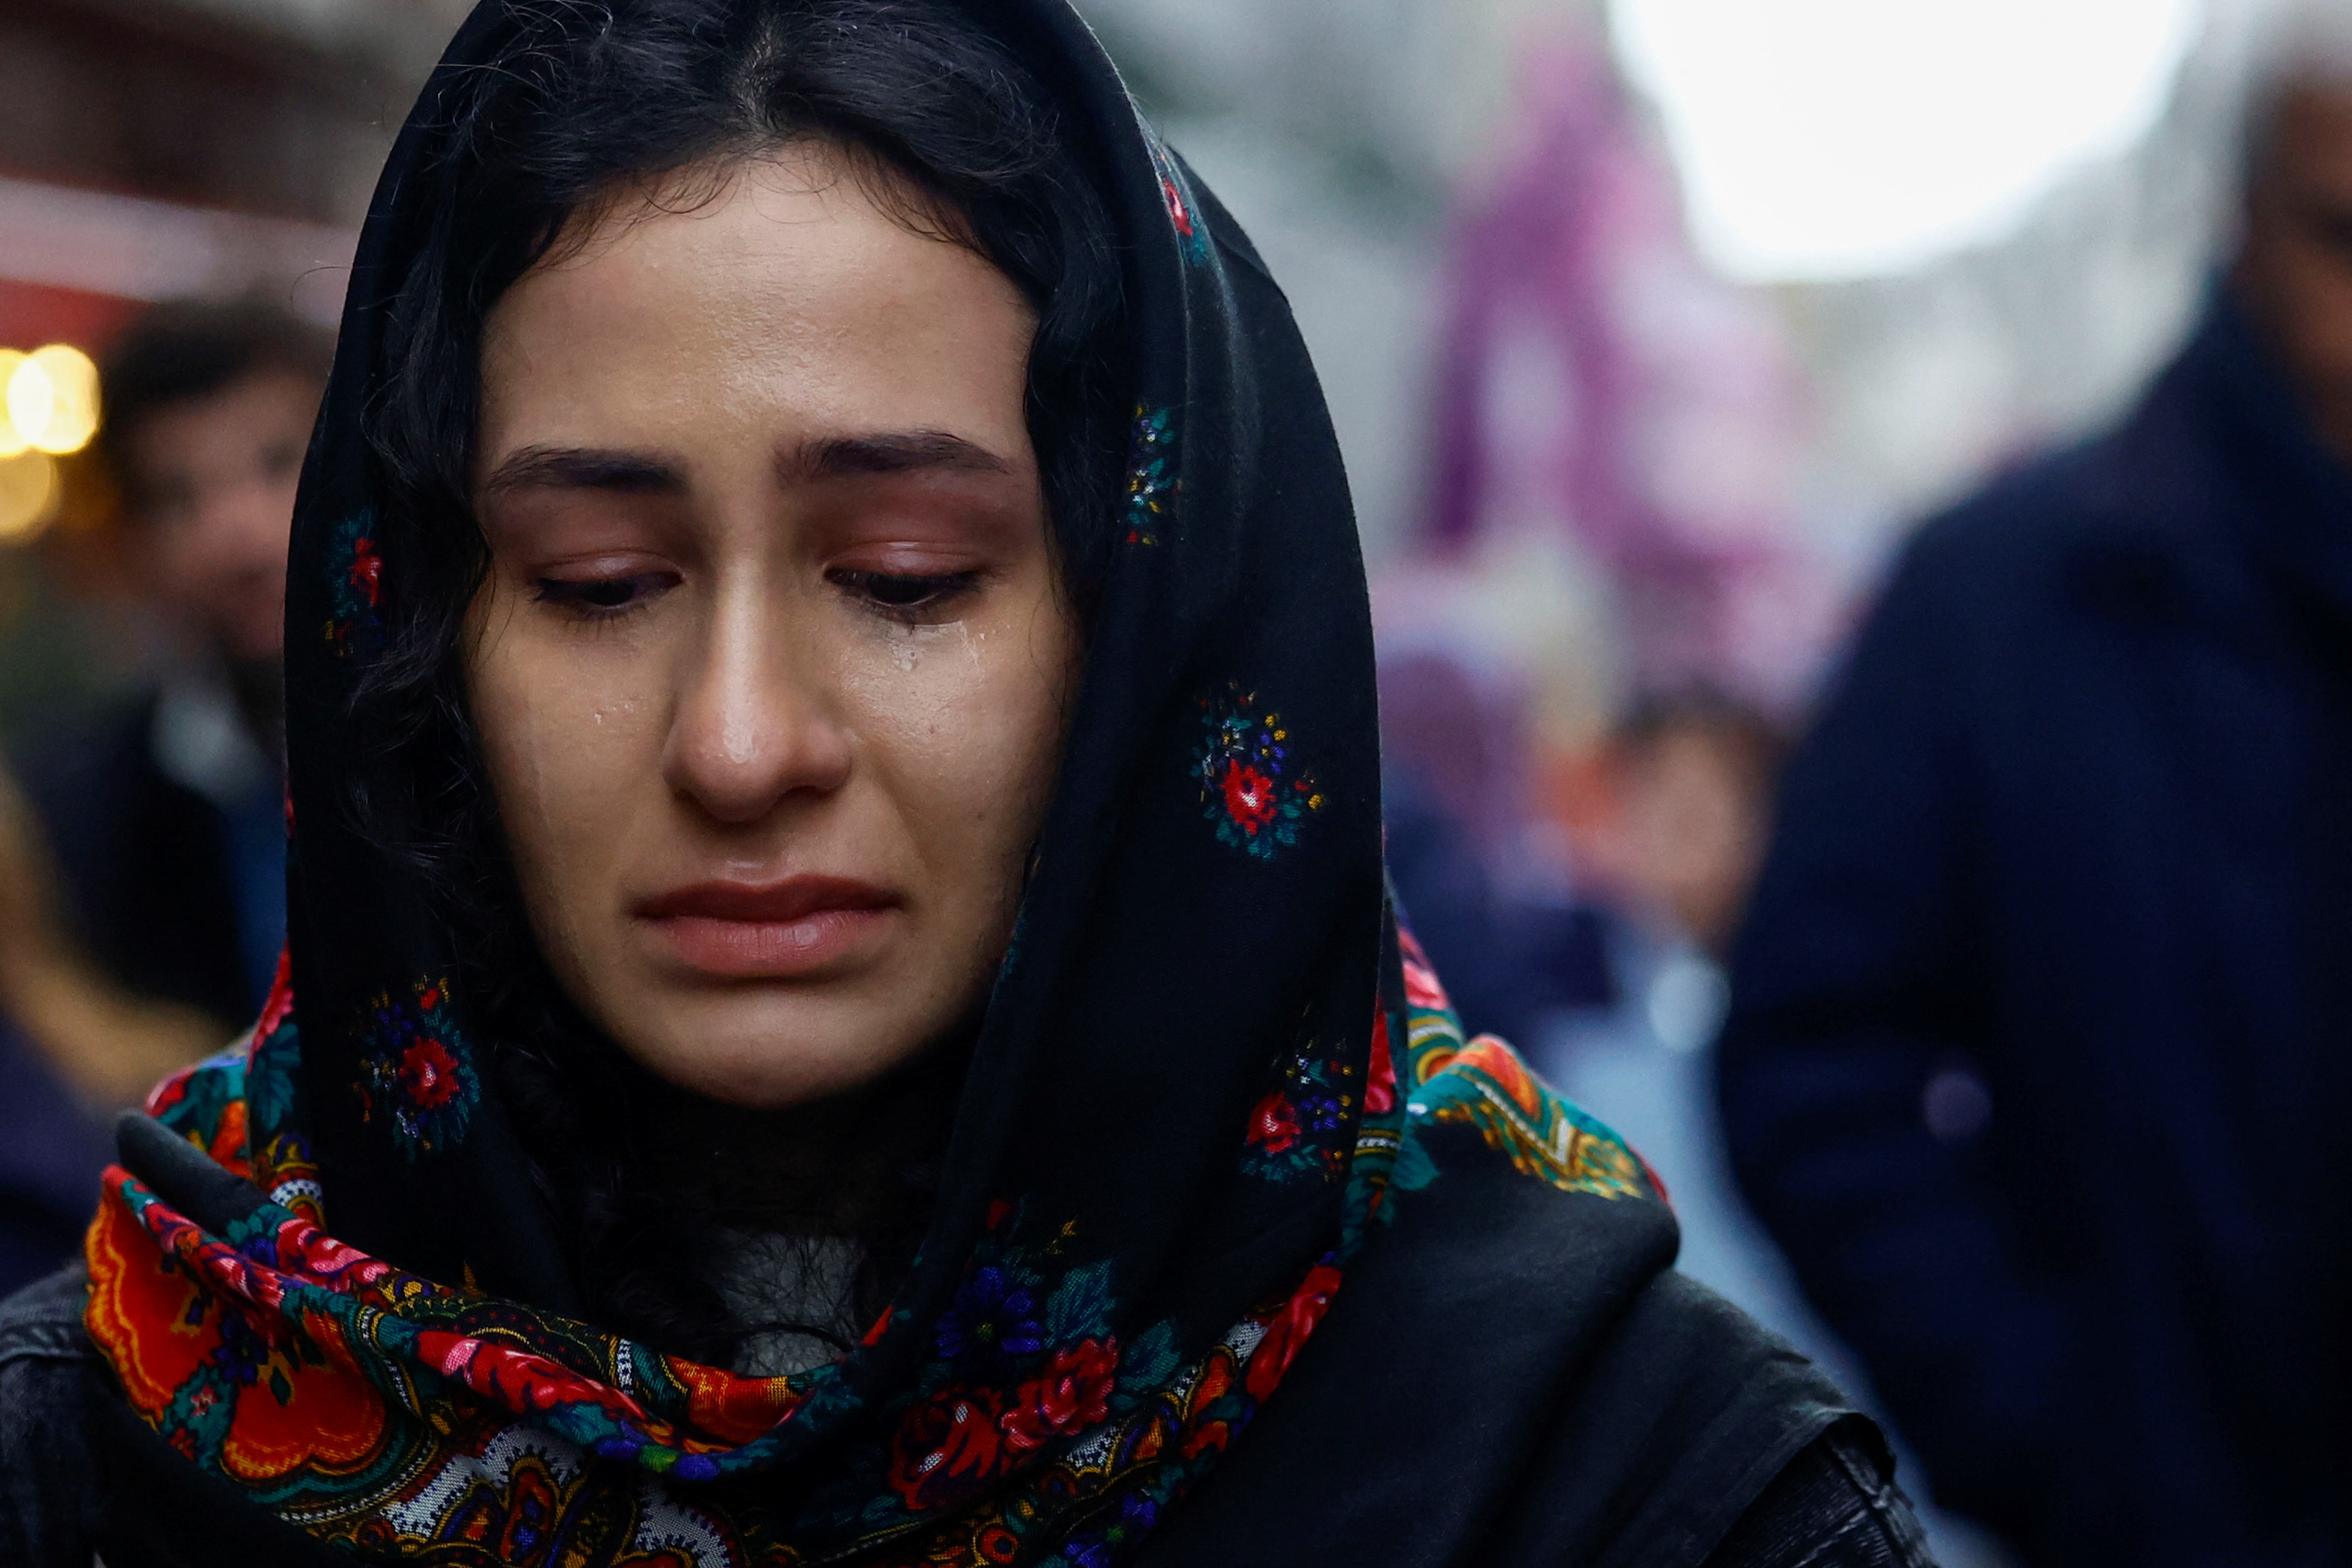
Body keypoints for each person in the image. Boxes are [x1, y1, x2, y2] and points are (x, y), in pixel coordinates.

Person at [0, 2, 1935, 1563]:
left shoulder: (1608, 1482)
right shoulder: (111, 1436)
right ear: (420, 639)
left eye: (904, 579)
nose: (741, 740)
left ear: (1146, 624)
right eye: (599, 588)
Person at [1717, 28, 2352, 1568]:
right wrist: (2064, 1433)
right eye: (2346, 234)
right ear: (2243, 217)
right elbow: (1814, 1053)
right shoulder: (1999, 598)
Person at [11, 302, 330, 1032]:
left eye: (279, 465)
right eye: (177, 499)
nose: (235, 537)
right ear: (135, 542)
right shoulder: (83, 814)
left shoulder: (470, 741)